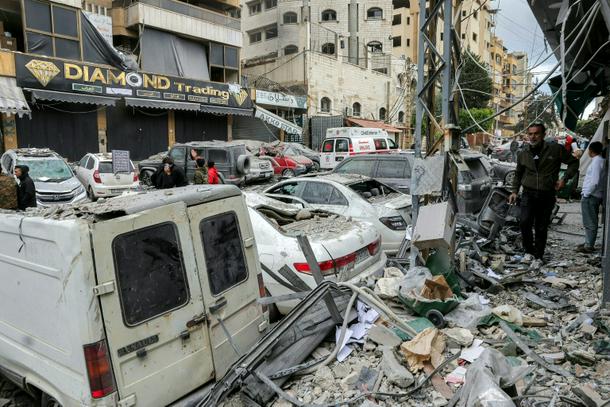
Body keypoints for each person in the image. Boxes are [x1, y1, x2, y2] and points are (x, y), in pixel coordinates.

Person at [508, 122, 579, 265]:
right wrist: (514, 191)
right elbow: (518, 173)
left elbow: (573, 162)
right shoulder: (523, 153)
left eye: (536, 134)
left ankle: (538, 256)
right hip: (528, 194)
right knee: (524, 222)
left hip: (547, 194)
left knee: (541, 226)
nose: (533, 137)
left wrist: (564, 179)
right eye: (530, 134)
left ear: (543, 135)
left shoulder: (555, 149)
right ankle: (528, 252)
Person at [578, 141, 605, 253]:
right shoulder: (600, 160)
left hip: (591, 195)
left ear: (590, 150)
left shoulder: (596, 161)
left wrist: (587, 193)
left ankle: (589, 245)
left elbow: (594, 181)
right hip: (595, 194)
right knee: (591, 220)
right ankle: (588, 242)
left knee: (589, 221)